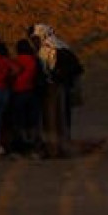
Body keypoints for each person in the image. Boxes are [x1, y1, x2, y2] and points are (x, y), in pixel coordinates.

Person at [31, 24, 80, 156]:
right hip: (61, 88)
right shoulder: (62, 46)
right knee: (61, 119)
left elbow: (48, 70)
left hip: (52, 88)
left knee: (52, 119)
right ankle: (61, 148)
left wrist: (54, 77)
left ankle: (54, 149)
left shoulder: (48, 49)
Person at [10, 39, 42, 154]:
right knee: (32, 122)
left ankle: (22, 146)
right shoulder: (34, 60)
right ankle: (34, 145)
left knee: (19, 122)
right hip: (31, 92)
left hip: (19, 92)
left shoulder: (16, 61)